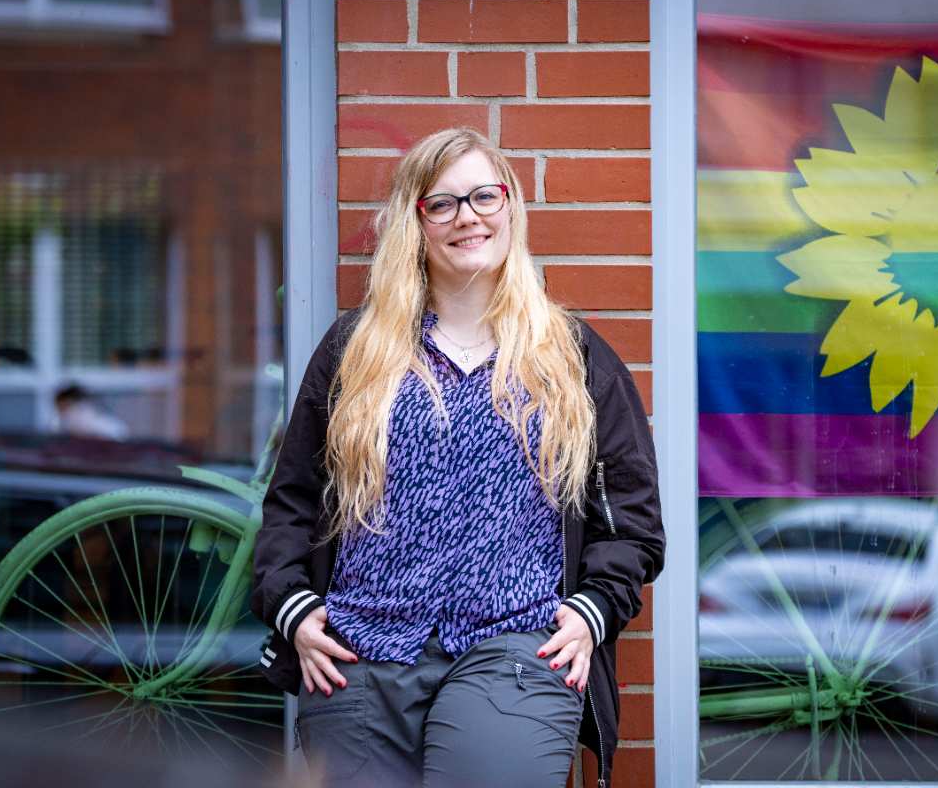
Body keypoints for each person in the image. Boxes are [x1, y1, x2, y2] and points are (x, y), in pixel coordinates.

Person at [251, 128, 663, 787]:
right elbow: (292, 499)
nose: (467, 216)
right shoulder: (352, 351)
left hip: (517, 648)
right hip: (359, 652)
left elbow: (633, 523)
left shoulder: (572, 356)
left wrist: (592, 609)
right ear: (415, 223)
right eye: (442, 204)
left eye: (483, 196)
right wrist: (292, 607)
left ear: (510, 207)